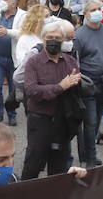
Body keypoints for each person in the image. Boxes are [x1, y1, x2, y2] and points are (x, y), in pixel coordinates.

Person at [20, 19, 82, 180]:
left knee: (59, 167)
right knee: (33, 163)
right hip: (40, 120)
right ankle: (23, 198)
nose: (53, 41)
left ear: (62, 40)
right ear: (43, 39)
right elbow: (31, 90)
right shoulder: (33, 62)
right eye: (49, 37)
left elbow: (76, 87)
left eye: (57, 37)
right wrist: (60, 87)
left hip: (62, 121)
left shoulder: (70, 62)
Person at [73, 0, 103, 166]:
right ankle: (90, 159)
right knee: (90, 122)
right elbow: (74, 61)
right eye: (93, 10)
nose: (97, 12)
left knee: (98, 118)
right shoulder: (79, 35)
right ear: (85, 13)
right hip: (88, 85)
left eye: (99, 8)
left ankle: (87, 152)